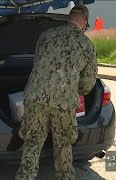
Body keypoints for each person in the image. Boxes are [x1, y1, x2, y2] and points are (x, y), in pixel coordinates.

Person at [15, 5, 97, 180]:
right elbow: (89, 80)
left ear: (69, 17)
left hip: (35, 97)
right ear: (85, 22)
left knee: (33, 142)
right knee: (63, 145)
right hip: (64, 103)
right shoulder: (86, 44)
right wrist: (75, 91)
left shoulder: (46, 35)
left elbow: (37, 63)